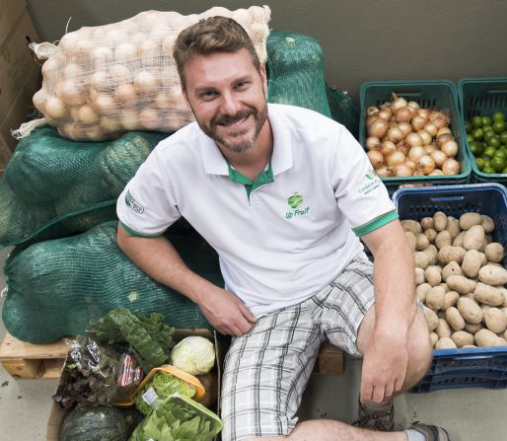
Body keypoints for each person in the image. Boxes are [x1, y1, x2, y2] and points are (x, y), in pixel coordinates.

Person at [116, 16, 448, 441]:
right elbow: (133, 233)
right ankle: (408, 439)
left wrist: (387, 335)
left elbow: (389, 243)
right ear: (187, 98)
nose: (230, 107)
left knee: (413, 346)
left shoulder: (324, 142)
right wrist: (203, 291)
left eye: (240, 85)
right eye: (208, 94)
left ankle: (375, 410)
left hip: (340, 273)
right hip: (261, 308)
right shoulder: (172, 163)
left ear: (263, 79)